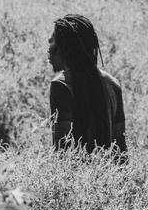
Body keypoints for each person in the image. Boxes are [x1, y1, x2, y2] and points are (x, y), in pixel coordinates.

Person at [48, 14, 126, 154]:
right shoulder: (113, 84)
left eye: (52, 42)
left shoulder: (61, 85)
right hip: (108, 174)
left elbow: (61, 149)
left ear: (65, 47)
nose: (48, 49)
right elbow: (121, 149)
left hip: (78, 174)